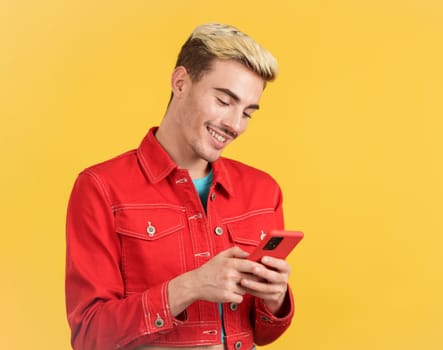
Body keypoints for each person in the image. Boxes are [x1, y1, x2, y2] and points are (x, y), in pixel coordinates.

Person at [65, 23, 295, 350]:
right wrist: (189, 287)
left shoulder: (263, 191)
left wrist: (275, 299)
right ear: (181, 82)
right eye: (223, 100)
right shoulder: (101, 188)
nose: (234, 125)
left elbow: (262, 333)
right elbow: (89, 336)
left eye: (247, 112)